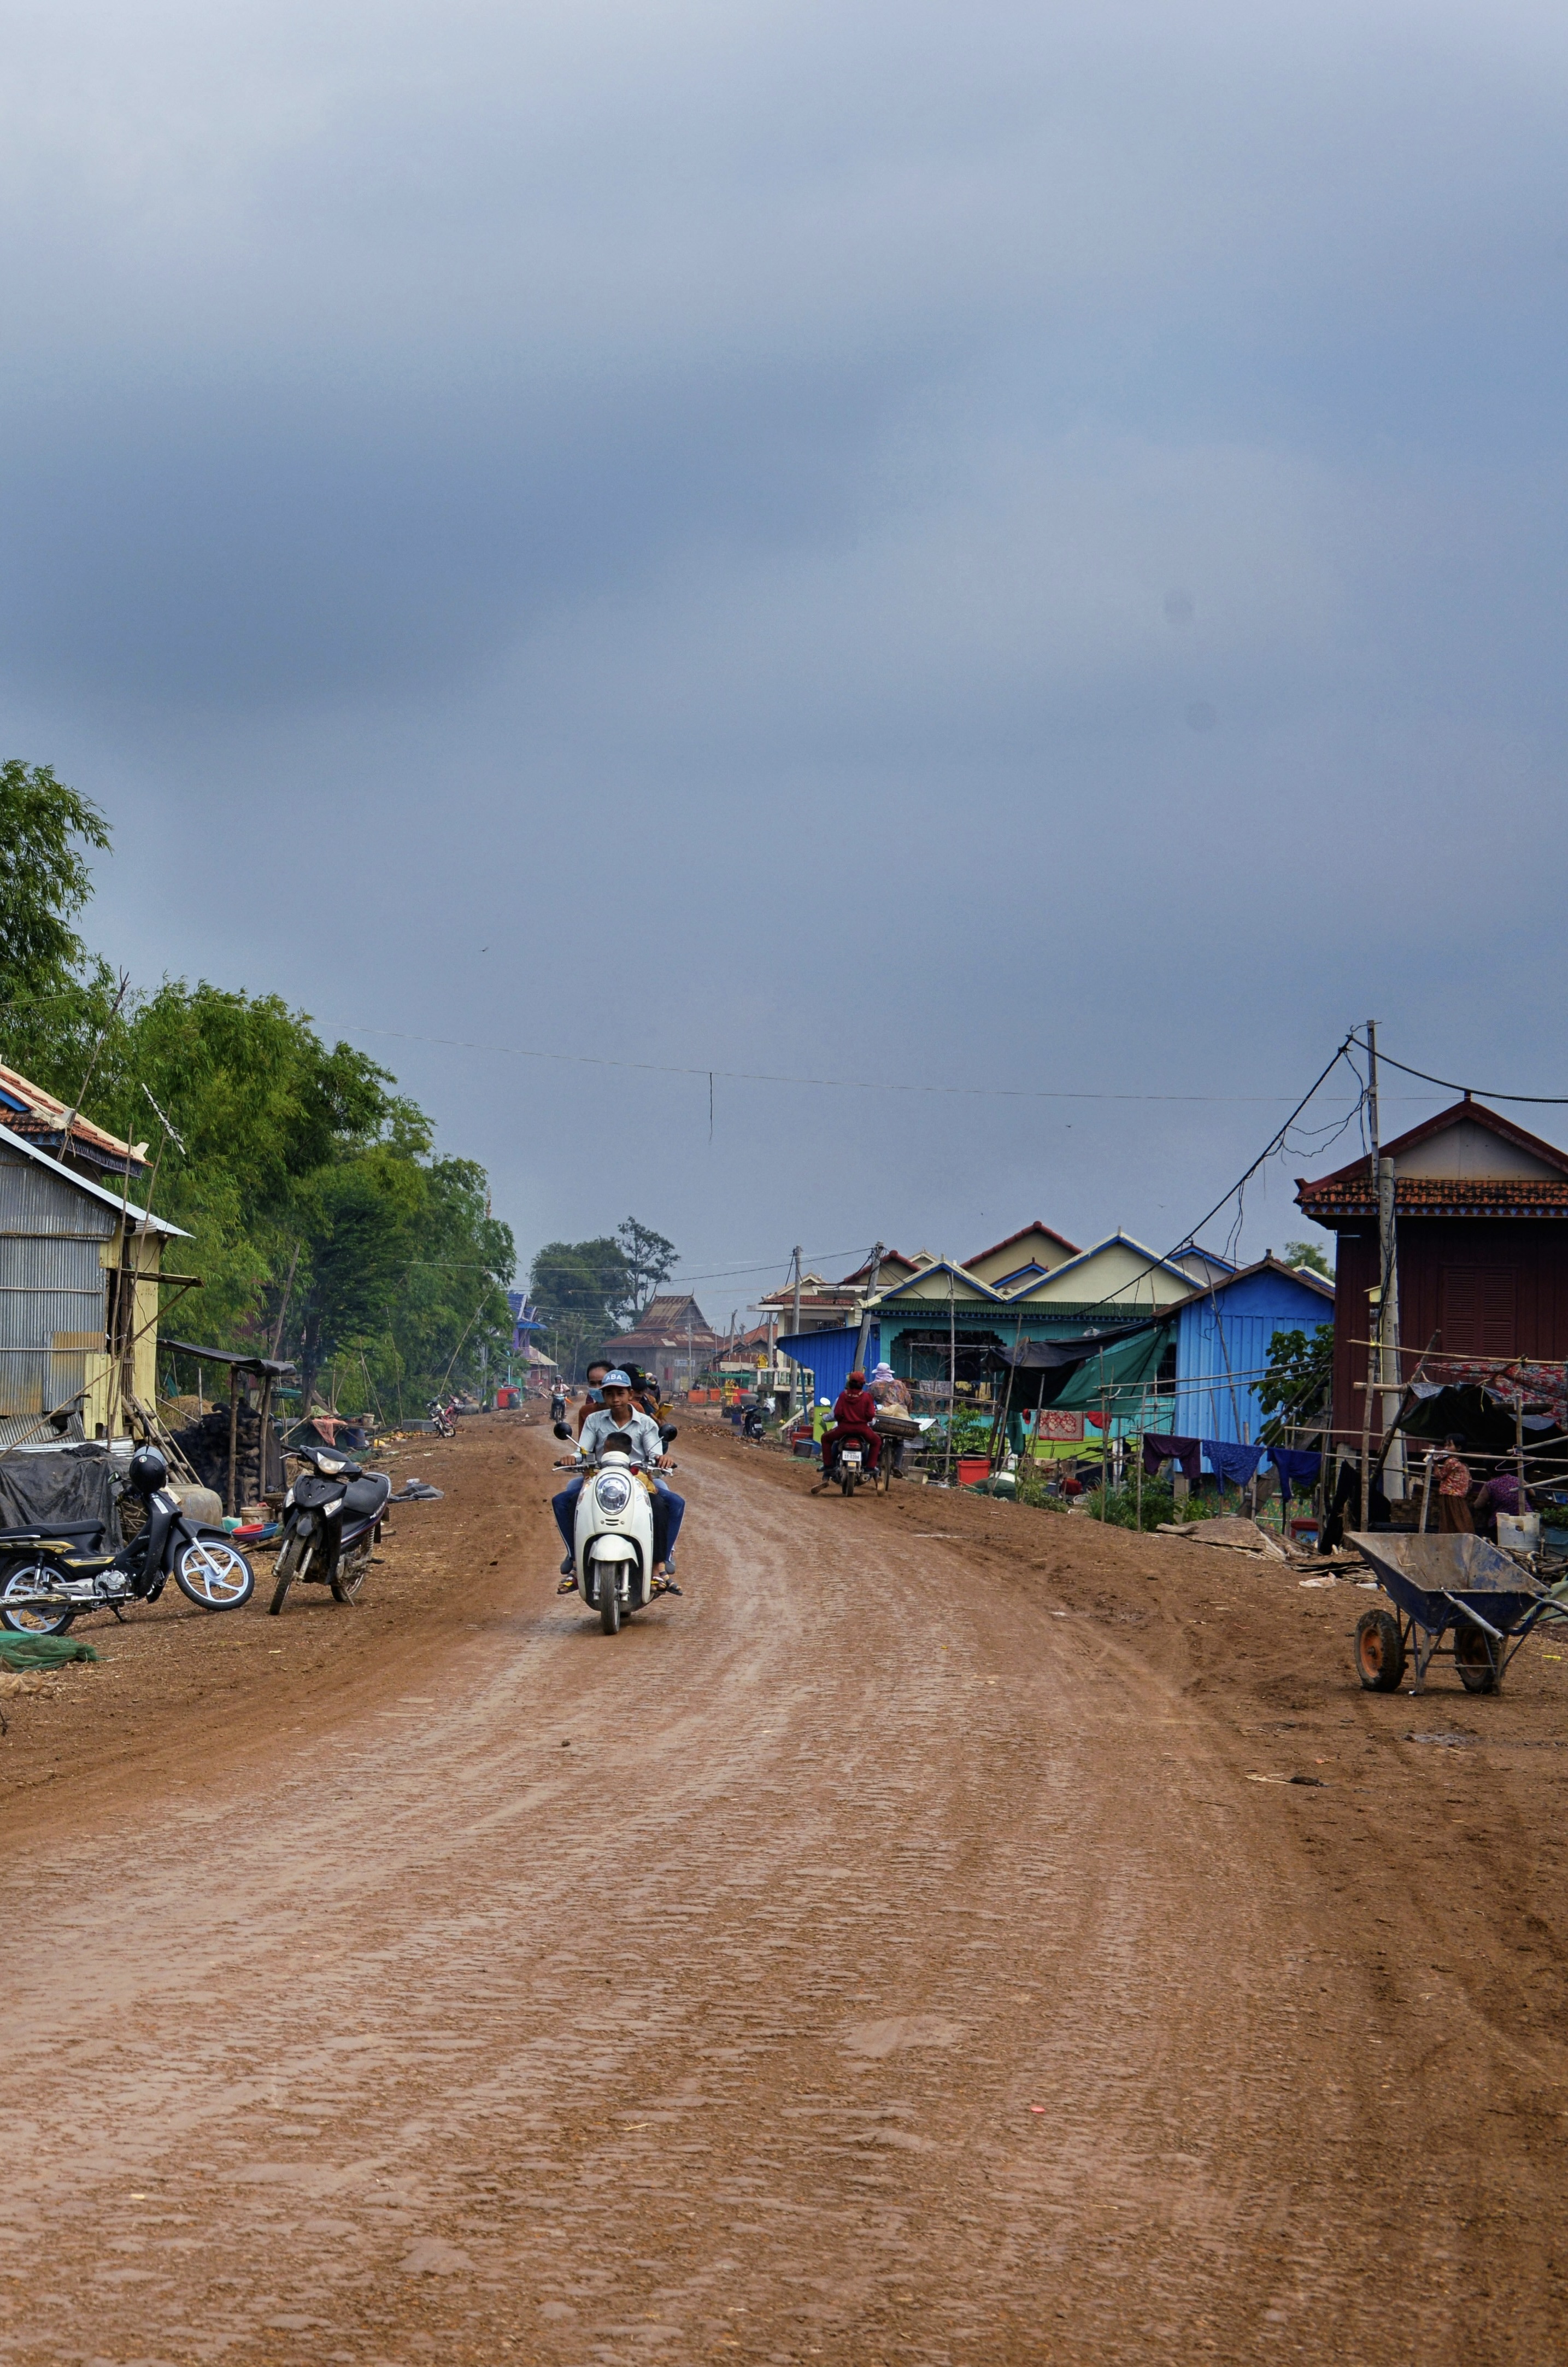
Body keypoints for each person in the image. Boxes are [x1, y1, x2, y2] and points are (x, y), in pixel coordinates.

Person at [554, 1371, 685, 1593]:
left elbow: (654, 1451)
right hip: (600, 1477)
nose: (615, 1399)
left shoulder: (645, 1423)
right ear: (603, 1396)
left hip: (637, 1479)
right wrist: (572, 1458)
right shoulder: (594, 1421)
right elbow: (582, 1450)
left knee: (669, 1505)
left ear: (630, 1394)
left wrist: (662, 1459)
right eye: (610, 1394)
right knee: (563, 1502)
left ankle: (658, 1566)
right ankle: (575, 1561)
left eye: (620, 1393)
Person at [814, 1369, 882, 1491]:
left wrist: (842, 1419)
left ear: (850, 1383)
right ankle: (871, 1468)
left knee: (825, 1438)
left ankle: (828, 1466)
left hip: (843, 1429)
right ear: (863, 1384)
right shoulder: (867, 1397)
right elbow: (871, 1415)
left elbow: (837, 1413)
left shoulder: (843, 1396)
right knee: (876, 1442)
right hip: (862, 1429)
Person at [867, 1360, 912, 1475]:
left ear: (877, 1373)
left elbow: (867, 1401)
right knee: (900, 1442)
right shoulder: (900, 1384)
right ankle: (897, 1465)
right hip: (900, 1418)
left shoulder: (874, 1386)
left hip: (883, 1419)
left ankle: (876, 1461)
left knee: (877, 1438)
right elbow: (908, 1401)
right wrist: (908, 1415)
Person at [1434, 1439, 1475, 1534]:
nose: (1446, 1448)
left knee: (1450, 1521)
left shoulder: (1451, 1461)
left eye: (1449, 1446)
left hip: (1450, 1494)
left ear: (1459, 1448)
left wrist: (1435, 1464)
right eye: (1446, 1446)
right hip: (1460, 1495)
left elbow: (1440, 1475)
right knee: (1461, 1519)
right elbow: (1470, 1482)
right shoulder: (1463, 1463)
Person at [574, 1360, 614, 1436]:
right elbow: (583, 1446)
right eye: (593, 1383)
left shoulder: (634, 1408)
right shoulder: (586, 1411)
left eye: (602, 1383)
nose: (597, 1388)